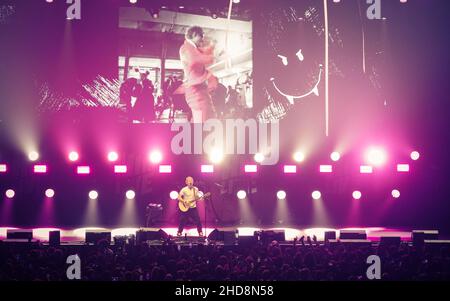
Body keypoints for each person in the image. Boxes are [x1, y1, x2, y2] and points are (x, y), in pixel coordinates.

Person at [179, 26, 217, 122]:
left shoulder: (192, 48)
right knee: (204, 120)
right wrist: (213, 57)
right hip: (196, 90)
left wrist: (213, 47)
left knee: (206, 118)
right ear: (195, 34)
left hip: (198, 90)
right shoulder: (186, 48)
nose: (202, 39)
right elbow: (195, 60)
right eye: (201, 36)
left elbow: (204, 52)